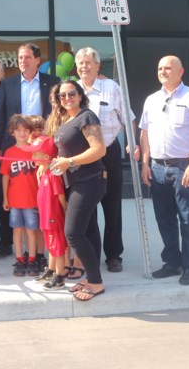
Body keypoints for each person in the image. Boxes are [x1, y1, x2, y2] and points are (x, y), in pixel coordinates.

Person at [139, 55, 189, 287]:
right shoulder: (151, 100)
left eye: (168, 68)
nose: (163, 71)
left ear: (180, 71)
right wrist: (144, 162)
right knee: (164, 219)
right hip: (158, 168)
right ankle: (172, 263)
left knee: (187, 218)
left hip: (184, 167)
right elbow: (144, 133)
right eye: (160, 68)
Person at [0, 43, 60, 260]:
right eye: (20, 57)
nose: (23, 61)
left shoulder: (53, 82)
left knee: (41, 196)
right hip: (15, 147)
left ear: (37, 60)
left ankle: (42, 246)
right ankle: (6, 240)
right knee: (9, 194)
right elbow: (0, 117)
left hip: (42, 149)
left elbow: (58, 116)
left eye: (28, 57)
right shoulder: (8, 84)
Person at [75, 47, 139, 273]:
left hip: (110, 152)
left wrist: (133, 142)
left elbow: (128, 118)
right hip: (85, 157)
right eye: (80, 63)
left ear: (97, 65)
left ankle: (114, 255)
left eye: (88, 63)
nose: (84, 67)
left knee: (112, 206)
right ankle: (91, 252)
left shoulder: (111, 87)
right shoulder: (73, 90)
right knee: (87, 208)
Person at [47, 79, 108, 302]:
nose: (66, 98)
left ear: (80, 95)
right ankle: (93, 278)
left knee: (72, 232)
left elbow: (99, 150)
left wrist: (69, 162)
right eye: (61, 96)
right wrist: (62, 162)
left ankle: (96, 283)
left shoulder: (87, 116)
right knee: (89, 232)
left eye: (71, 93)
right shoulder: (68, 120)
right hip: (77, 181)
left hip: (90, 180)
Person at [0, 114, 39, 278]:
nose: (22, 133)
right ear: (12, 132)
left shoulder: (35, 151)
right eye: (18, 130)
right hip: (15, 200)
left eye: (25, 130)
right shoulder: (9, 152)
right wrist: (5, 198)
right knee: (17, 230)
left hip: (32, 199)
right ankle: (19, 260)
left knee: (31, 230)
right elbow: (5, 176)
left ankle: (32, 259)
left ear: (30, 132)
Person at [29, 133, 68, 290]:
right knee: (51, 246)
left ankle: (59, 277)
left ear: (45, 155)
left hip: (53, 218)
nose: (32, 156)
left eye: (35, 153)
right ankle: (51, 271)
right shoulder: (43, 172)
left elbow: (60, 196)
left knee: (57, 248)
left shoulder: (53, 174)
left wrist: (65, 211)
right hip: (46, 218)